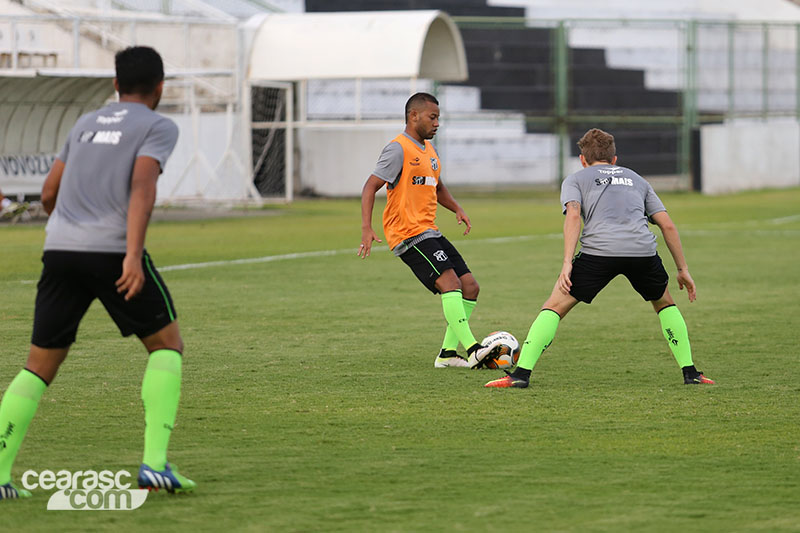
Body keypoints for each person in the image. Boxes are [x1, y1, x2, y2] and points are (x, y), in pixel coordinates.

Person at [0, 46, 195, 501]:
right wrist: (132, 256)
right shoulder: (158, 125)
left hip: (60, 250)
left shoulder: (85, 122)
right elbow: (142, 186)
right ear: (160, 87)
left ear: (115, 84)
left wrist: (67, 223)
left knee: (39, 365)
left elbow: (49, 192)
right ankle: (154, 464)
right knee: (167, 345)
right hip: (110, 251)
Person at [486, 128, 714, 389]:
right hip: (642, 252)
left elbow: (573, 215)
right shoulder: (637, 179)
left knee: (554, 307)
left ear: (582, 159)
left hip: (598, 253)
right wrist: (682, 268)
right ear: (614, 159)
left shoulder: (576, 178)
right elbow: (668, 225)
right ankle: (691, 372)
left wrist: (567, 263)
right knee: (664, 304)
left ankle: (520, 375)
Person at [359, 92, 501, 368]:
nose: (437, 123)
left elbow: (437, 187)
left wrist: (456, 208)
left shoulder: (429, 151)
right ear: (414, 116)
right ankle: (473, 349)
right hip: (407, 234)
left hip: (430, 231)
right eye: (432, 117)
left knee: (470, 286)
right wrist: (366, 227)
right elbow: (369, 186)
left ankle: (447, 354)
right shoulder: (398, 149)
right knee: (450, 283)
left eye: (438, 118)